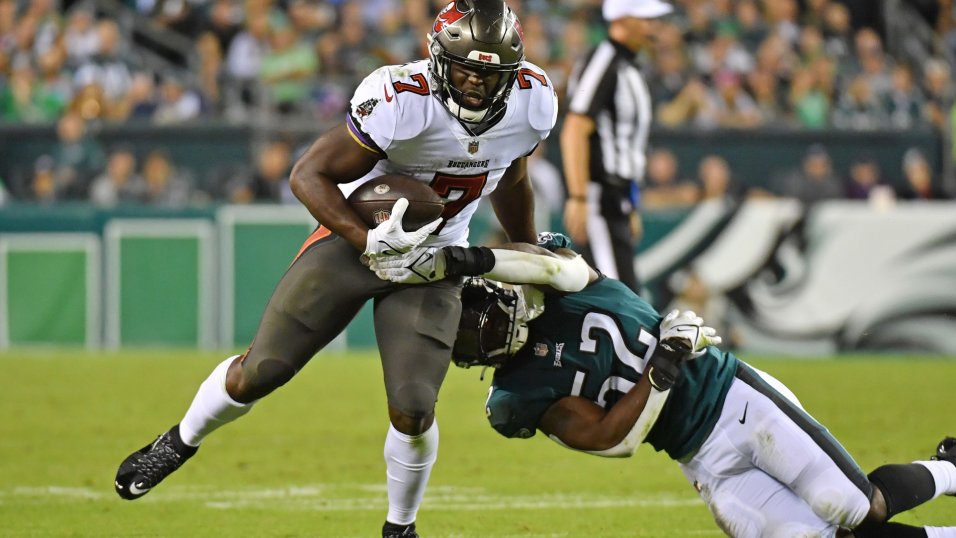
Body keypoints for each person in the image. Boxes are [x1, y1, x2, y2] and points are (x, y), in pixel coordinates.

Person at [112, 2, 556, 537]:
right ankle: (179, 440)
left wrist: (527, 252)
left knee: (414, 408)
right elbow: (308, 174)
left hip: (435, 259)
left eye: (490, 74)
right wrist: (368, 238)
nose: (477, 85)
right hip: (356, 242)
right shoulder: (399, 99)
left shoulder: (531, 103)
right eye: (465, 68)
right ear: (439, 58)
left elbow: (510, 179)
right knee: (261, 371)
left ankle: (400, 527)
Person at [437, 234, 956, 538]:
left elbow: (549, 264)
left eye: (476, 316)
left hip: (735, 400)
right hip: (701, 459)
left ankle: (950, 467)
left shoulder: (557, 281)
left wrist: (471, 257)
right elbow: (611, 439)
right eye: (467, 339)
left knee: (855, 508)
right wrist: (661, 365)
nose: (482, 332)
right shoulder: (514, 399)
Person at [560, 0, 671, 294]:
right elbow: (575, 129)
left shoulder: (630, 66)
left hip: (617, 198)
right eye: (645, 19)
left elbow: (628, 150)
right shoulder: (604, 61)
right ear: (620, 19)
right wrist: (579, 196)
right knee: (620, 299)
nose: (653, 27)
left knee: (620, 296)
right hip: (600, 197)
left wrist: (631, 201)